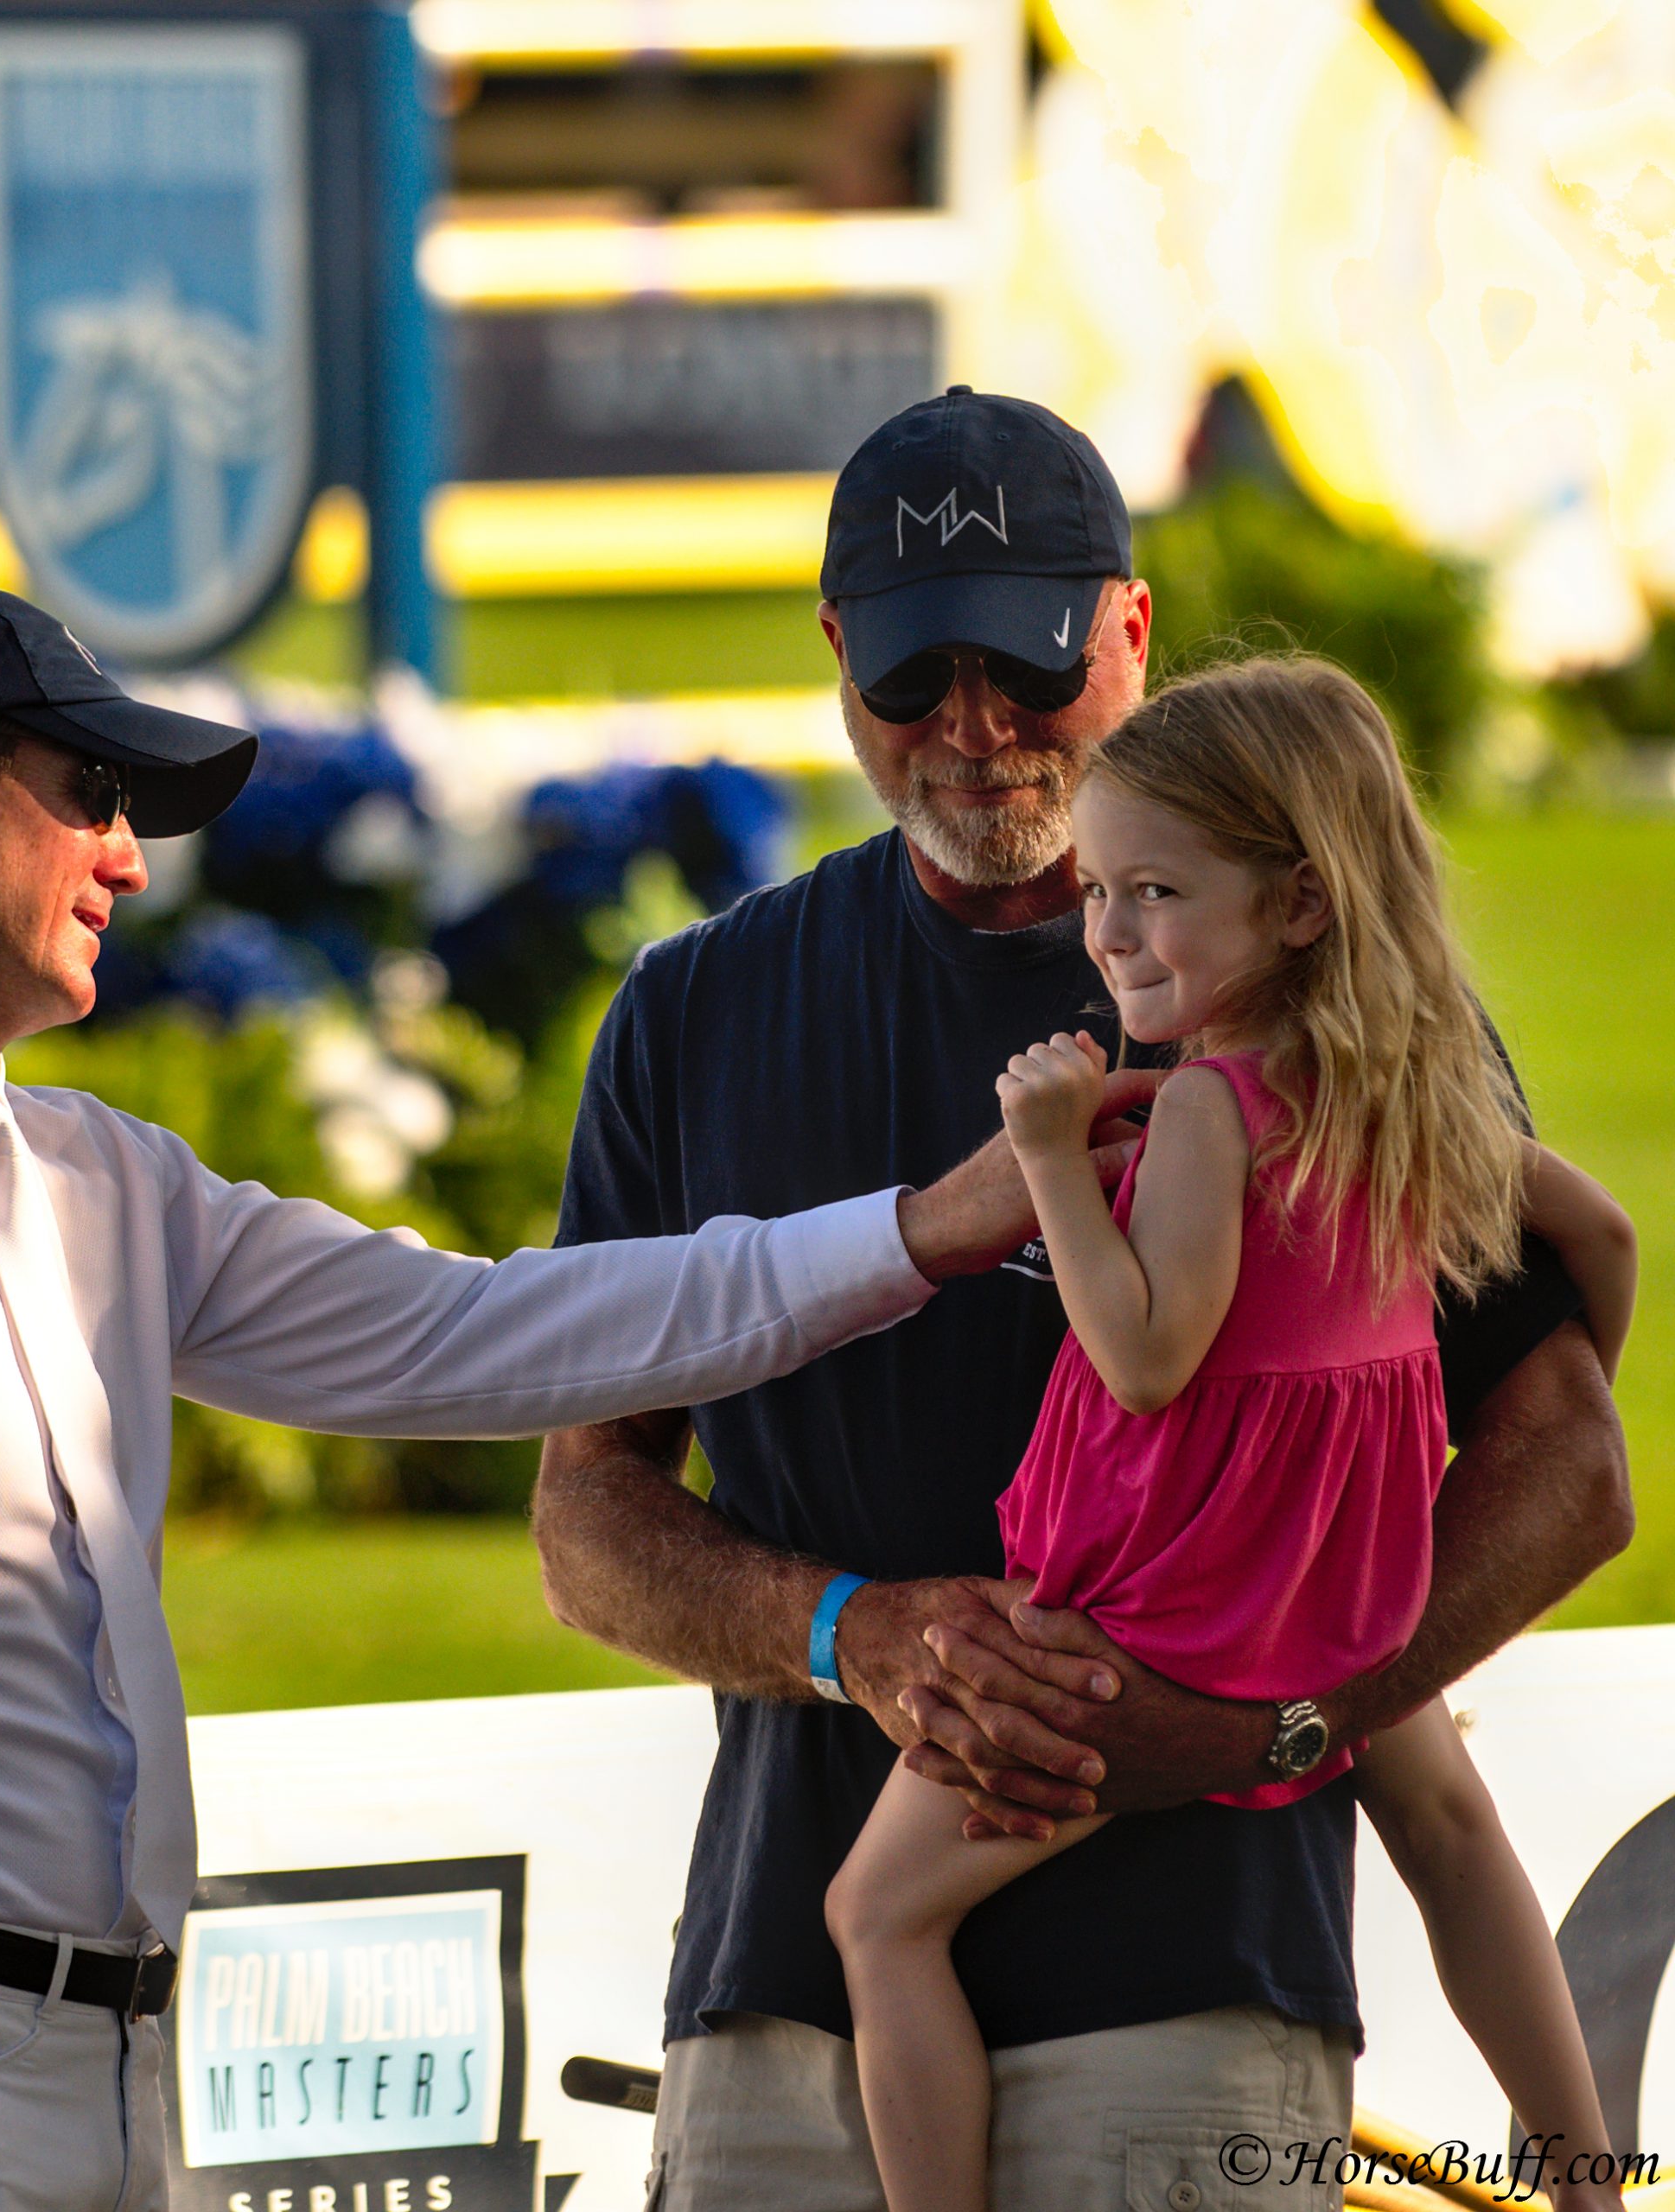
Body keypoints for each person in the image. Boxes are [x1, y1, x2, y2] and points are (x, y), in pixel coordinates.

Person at [0, 580, 1052, 2212]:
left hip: (108, 2075)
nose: (129, 853)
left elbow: (493, 1335)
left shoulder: (99, 1177)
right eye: (92, 795)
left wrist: (921, 1232)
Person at [532, 390, 1632, 2212]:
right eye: (907, 674)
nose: (968, 724)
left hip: (1188, 2000)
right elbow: (584, 1509)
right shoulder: (691, 1008)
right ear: (831, 657)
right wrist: (848, 1631)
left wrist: (1284, 1713)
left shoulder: (1318, 996)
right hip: (776, 2025)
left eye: (1023, 661)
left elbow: (1564, 1462)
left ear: (1128, 626)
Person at [822, 657, 1639, 2212]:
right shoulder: (1417, 1096)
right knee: (1450, 1822)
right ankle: (1590, 2180)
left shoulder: (1205, 1108)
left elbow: (1142, 1356)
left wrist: (1051, 1155)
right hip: (1345, 1590)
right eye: (1102, 891)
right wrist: (1384, 1441)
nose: (1112, 932)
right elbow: (1600, 1246)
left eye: (1155, 893)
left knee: (878, 1915)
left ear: (1302, 906)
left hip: (1171, 1614)